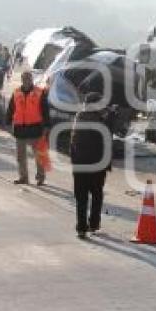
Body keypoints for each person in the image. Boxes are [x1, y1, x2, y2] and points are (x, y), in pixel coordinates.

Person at [69, 93, 115, 239]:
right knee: (96, 195)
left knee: (81, 198)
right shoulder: (102, 121)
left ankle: (82, 228)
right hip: (97, 166)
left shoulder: (78, 118)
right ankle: (94, 224)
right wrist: (111, 115)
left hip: (80, 166)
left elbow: (72, 143)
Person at [5, 71, 49, 185]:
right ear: (22, 79)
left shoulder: (40, 92)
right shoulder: (16, 92)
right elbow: (10, 109)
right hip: (20, 129)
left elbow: (45, 111)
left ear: (32, 79)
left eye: (29, 79)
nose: (27, 81)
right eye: (24, 79)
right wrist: (8, 123)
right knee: (20, 157)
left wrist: (47, 126)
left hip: (35, 128)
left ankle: (40, 177)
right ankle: (23, 177)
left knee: (39, 155)